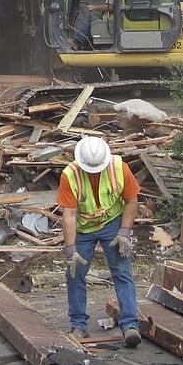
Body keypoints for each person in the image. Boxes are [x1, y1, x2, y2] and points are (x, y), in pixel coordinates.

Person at [57, 135, 141, 347]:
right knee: (74, 273)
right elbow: (69, 214)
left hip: (112, 223)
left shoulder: (119, 167)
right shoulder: (70, 175)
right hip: (84, 229)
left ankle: (130, 326)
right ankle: (78, 325)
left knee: (122, 271)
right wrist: (71, 249)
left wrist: (124, 232)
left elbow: (131, 201)